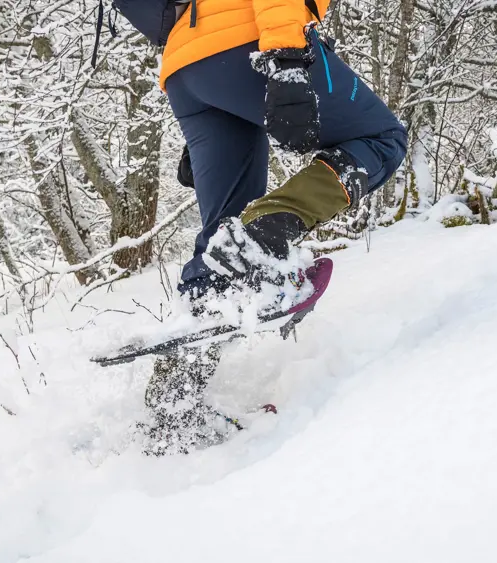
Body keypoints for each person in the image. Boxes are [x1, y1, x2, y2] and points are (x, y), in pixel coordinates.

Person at [110, 0, 406, 453]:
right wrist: (286, 60)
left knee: (223, 238)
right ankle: (268, 227)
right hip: (248, 40)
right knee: (382, 139)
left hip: (186, 68)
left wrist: (216, 98)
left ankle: (173, 411)